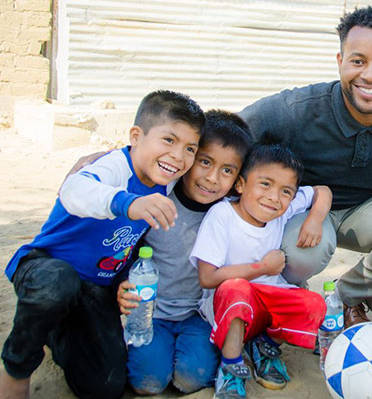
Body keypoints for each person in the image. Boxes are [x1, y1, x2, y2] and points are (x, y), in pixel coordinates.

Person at [239, 4, 372, 328]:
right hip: (306, 209)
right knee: (302, 253)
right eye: (358, 61)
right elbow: (231, 131)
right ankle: (292, 300)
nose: (370, 75)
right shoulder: (297, 109)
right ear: (340, 62)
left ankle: (346, 298)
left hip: (371, 205)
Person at [0, 90, 204, 399]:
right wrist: (126, 203)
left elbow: (131, 243)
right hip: (46, 269)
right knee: (57, 284)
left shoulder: (168, 180)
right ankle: (17, 367)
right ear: (136, 135)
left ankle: (57, 331)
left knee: (103, 387)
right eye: (169, 140)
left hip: (96, 287)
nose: (179, 156)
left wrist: (123, 281)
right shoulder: (114, 167)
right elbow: (74, 190)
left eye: (190, 148)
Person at [117, 110, 253, 394]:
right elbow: (124, 251)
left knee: (190, 378)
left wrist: (321, 196)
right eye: (204, 162)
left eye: (227, 170)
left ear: (239, 177)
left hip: (198, 315)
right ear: (188, 157)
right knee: (148, 382)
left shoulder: (232, 212)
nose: (212, 178)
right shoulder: (156, 200)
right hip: (151, 311)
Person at [190, 143, 331, 399]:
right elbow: (208, 277)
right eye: (265, 184)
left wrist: (315, 219)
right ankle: (231, 365)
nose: (274, 197)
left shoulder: (280, 211)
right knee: (236, 288)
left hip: (265, 304)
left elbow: (322, 191)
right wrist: (262, 268)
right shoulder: (222, 215)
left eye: (286, 191)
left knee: (313, 303)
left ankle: (264, 345)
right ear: (241, 184)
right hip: (227, 305)